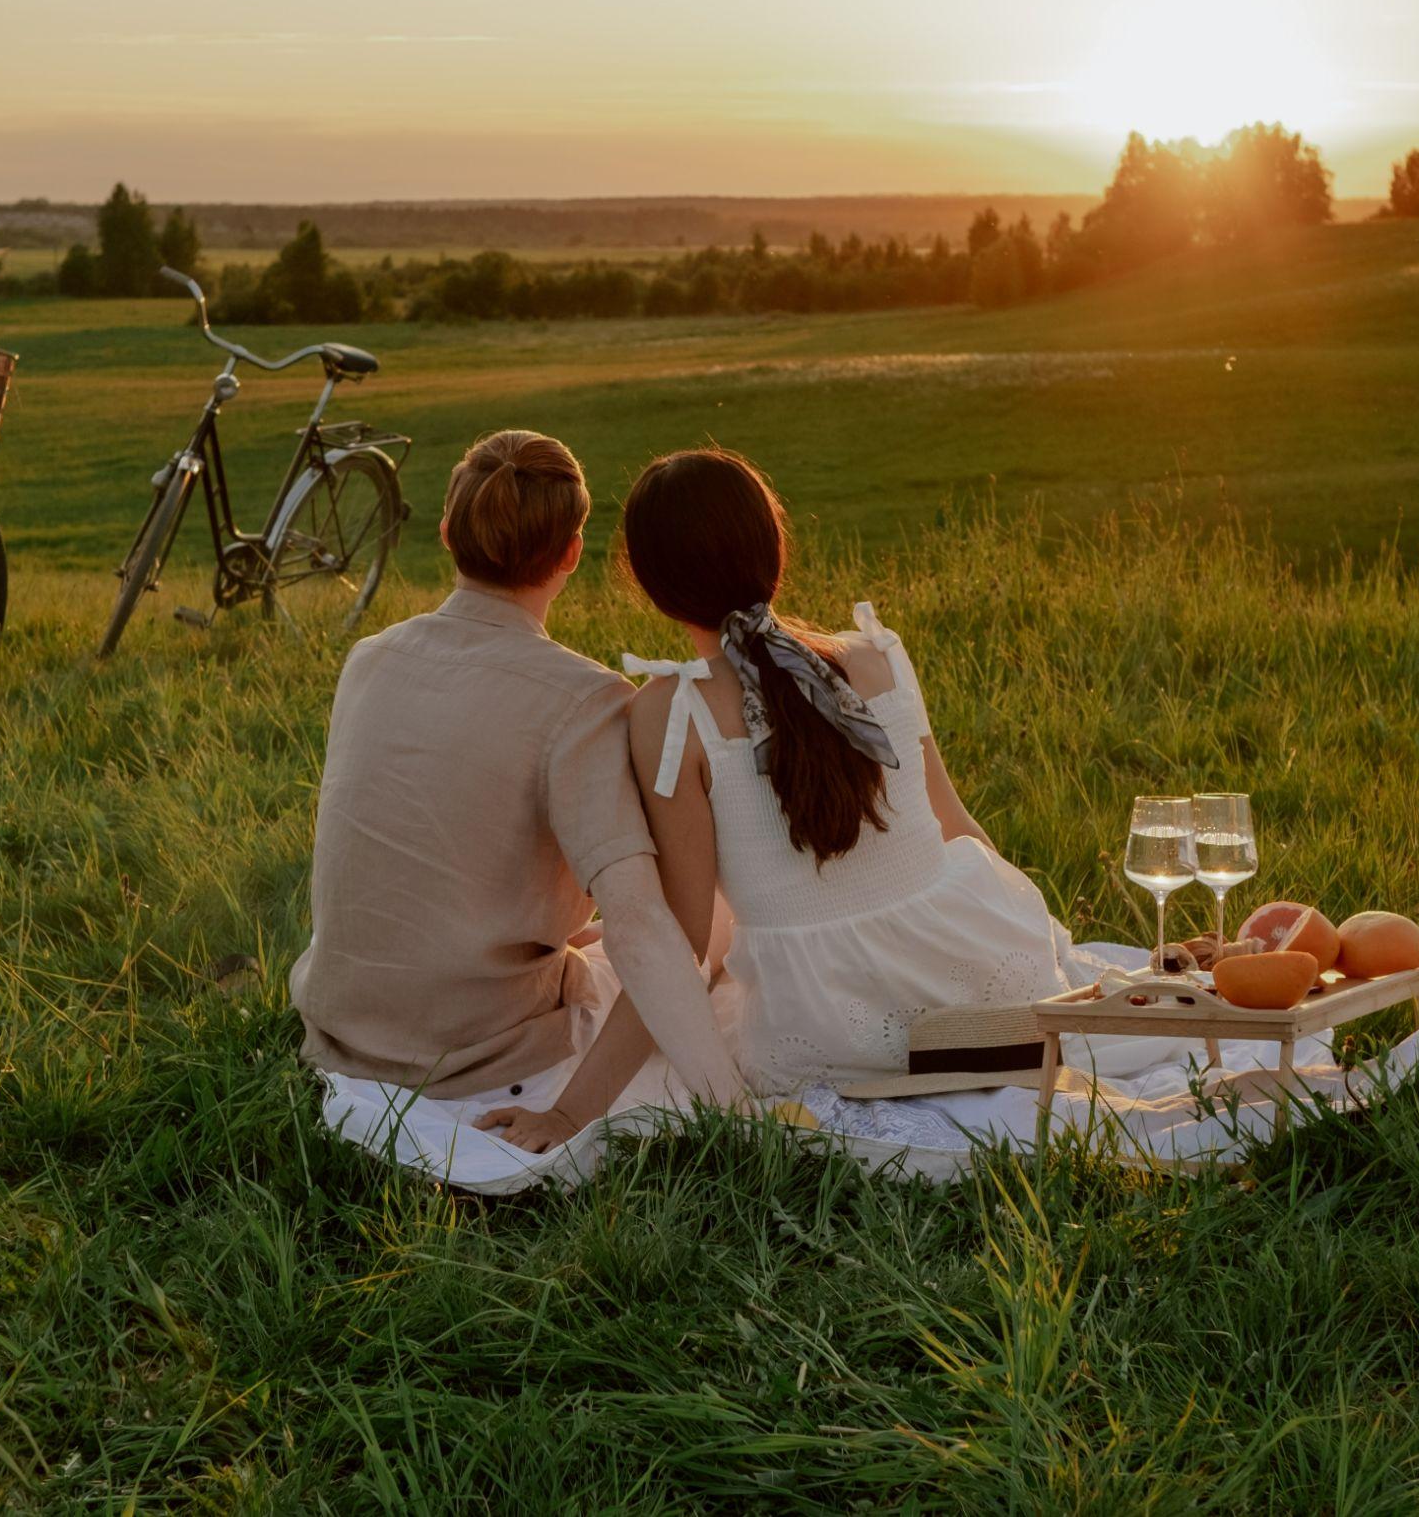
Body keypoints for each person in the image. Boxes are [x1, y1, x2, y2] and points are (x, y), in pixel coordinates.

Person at [606, 447, 1141, 1101]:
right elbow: (957, 827)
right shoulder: (878, 656)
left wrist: (571, 1106)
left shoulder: (672, 711)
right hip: (980, 983)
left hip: (822, 1031)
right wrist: (1030, 944)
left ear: (651, 583)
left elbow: (682, 942)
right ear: (774, 545)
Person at [290, 430, 746, 1152]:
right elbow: (641, 926)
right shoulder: (586, 699)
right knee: (717, 916)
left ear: (446, 533)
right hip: (479, 1060)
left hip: (344, 1028)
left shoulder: (367, 659)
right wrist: (730, 1112)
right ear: (571, 554)